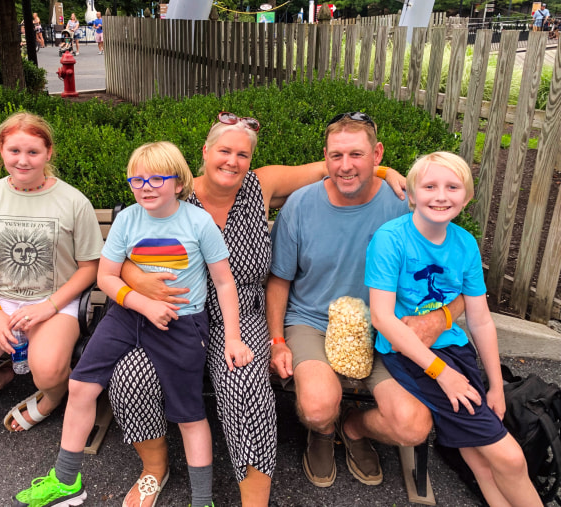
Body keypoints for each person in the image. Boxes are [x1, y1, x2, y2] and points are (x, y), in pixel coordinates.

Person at [107, 112, 408, 506]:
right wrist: (133, 275)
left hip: (243, 314)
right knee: (130, 377)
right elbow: (125, 243)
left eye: (242, 154)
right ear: (205, 151)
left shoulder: (260, 185)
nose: (232, 161)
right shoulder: (175, 193)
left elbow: (334, 167)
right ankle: (154, 470)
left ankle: (254, 501)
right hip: (171, 314)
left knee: (245, 385)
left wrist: (385, 170)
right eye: (224, 151)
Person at [12, 141, 252, 507]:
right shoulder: (127, 219)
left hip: (182, 324)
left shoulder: (198, 222)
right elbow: (107, 276)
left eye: (157, 178)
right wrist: (142, 303)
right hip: (127, 315)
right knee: (80, 386)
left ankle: (202, 499)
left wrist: (232, 338)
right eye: (137, 180)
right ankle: (66, 481)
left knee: (189, 415)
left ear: (179, 183)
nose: (146, 187)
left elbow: (223, 281)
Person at [266, 112, 462, 490]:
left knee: (413, 425)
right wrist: (277, 341)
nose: (345, 166)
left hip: (384, 327)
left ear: (377, 154)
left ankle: (354, 426)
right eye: (336, 155)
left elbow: (461, 286)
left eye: (356, 154)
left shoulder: (404, 206)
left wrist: (439, 319)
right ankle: (322, 430)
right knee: (317, 406)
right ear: (325, 156)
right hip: (312, 319)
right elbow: (279, 281)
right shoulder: (300, 206)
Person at [366, 151, 542, 507]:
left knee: (481, 459)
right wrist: (441, 373)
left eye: (452, 186)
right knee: (509, 458)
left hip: (456, 351)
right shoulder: (391, 240)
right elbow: (382, 318)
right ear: (412, 194)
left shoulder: (464, 244)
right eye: (429, 186)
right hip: (409, 353)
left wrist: (495, 385)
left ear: (467, 196)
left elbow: (479, 319)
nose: (441, 195)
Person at [0, 112, 103, 433]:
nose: (23, 161)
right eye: (14, 151)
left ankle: (53, 397)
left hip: (57, 301)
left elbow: (90, 268)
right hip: (2, 299)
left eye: (33, 152)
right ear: (1, 150)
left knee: (47, 372)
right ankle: (1, 376)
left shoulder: (74, 202)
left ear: (49, 153)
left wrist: (49, 306)